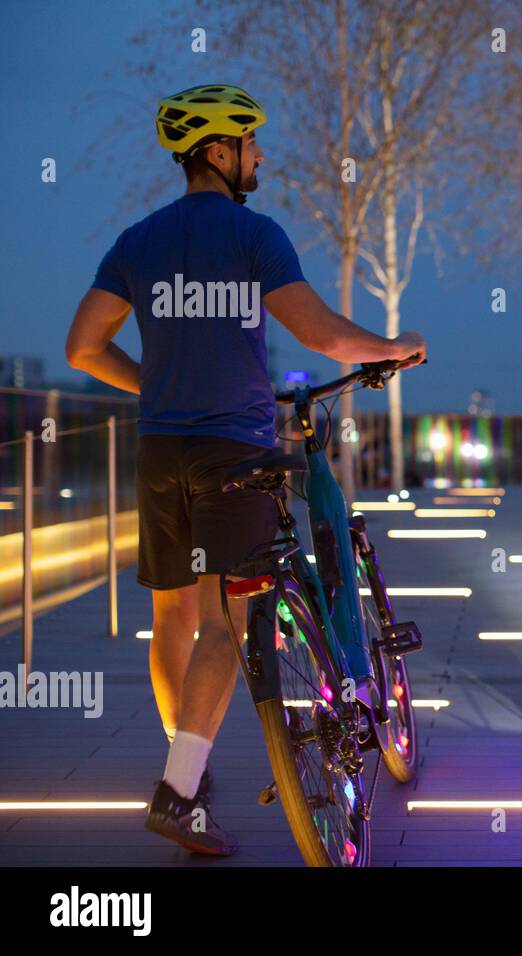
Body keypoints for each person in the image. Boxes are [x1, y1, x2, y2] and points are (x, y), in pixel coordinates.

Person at [65, 84, 426, 855]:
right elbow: (325, 335)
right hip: (234, 453)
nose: (260, 155)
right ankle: (179, 790)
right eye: (251, 143)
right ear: (218, 153)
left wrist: (156, 383)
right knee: (233, 625)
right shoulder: (255, 236)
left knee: (172, 618)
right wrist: (391, 346)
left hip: (161, 453)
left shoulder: (138, 241)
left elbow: (82, 348)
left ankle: (185, 757)